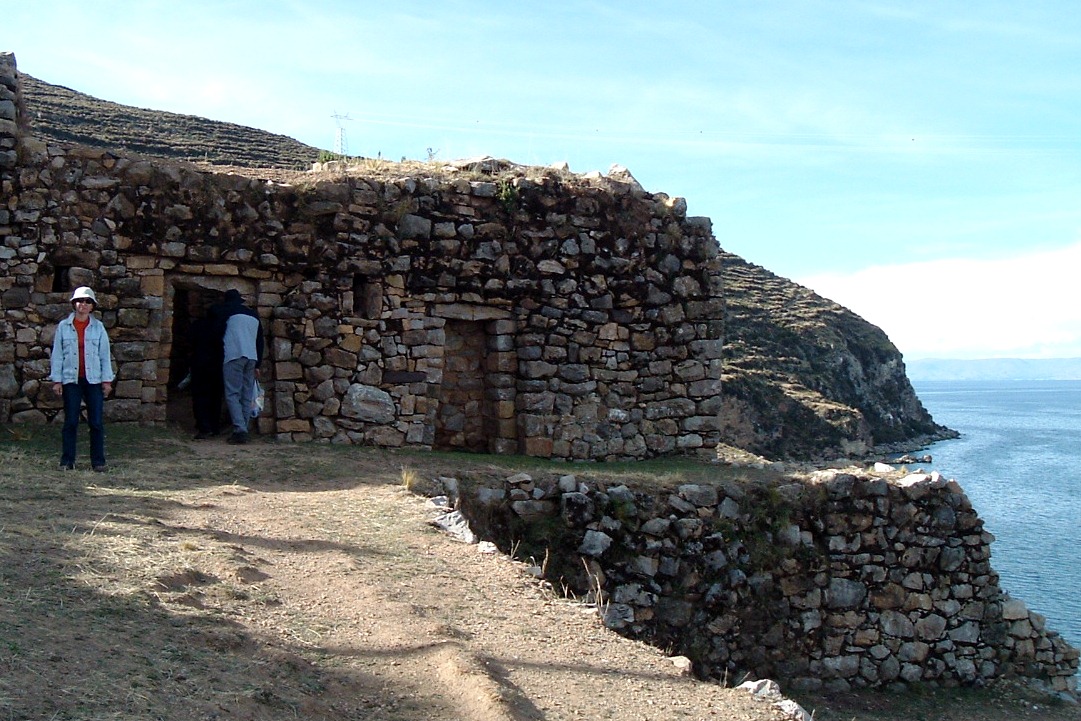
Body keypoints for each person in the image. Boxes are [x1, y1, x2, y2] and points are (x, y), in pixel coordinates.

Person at [49, 286, 115, 471]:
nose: (83, 305)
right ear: (74, 304)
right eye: (79, 301)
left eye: (87, 302)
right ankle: (67, 461)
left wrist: (106, 380)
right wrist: (57, 380)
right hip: (71, 380)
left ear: (92, 307)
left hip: (93, 380)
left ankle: (98, 462)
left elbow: (104, 355)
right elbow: (58, 355)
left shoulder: (98, 327)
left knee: (96, 422)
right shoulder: (63, 327)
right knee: (71, 421)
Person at [214, 289, 263, 444]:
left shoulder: (226, 313)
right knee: (246, 394)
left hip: (234, 355)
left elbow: (217, 335)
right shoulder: (254, 316)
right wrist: (258, 363)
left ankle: (240, 430)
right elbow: (260, 341)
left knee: (232, 393)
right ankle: (244, 427)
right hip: (251, 357)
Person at [189, 312, 224, 439]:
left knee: (200, 396)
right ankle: (215, 427)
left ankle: (204, 426)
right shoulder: (221, 326)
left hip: (200, 363)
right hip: (217, 365)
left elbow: (190, 341)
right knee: (216, 396)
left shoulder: (197, 326)